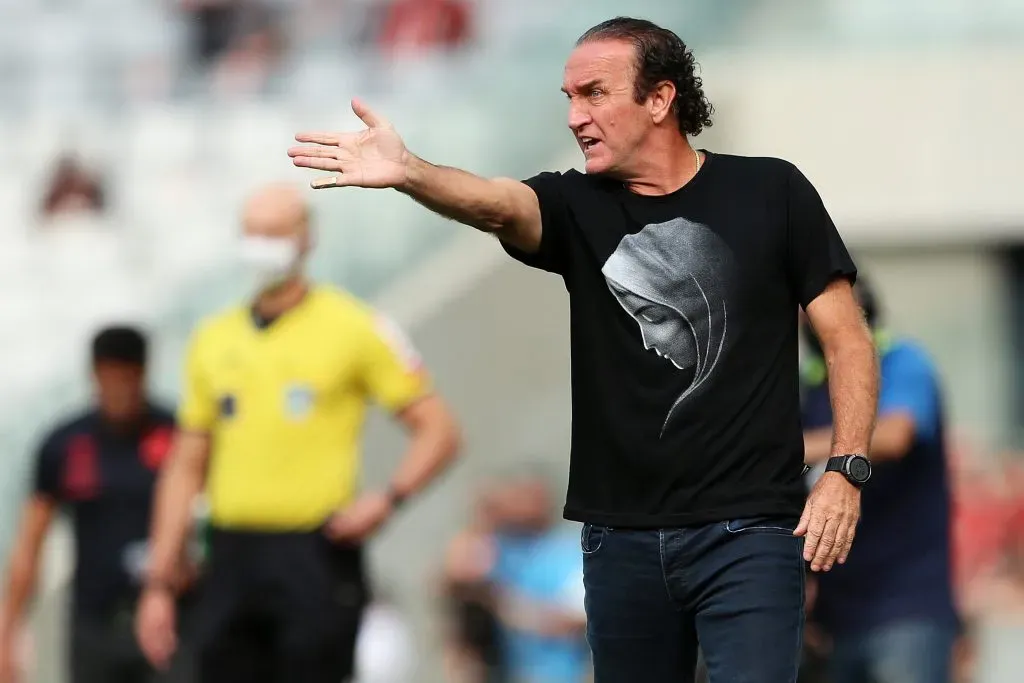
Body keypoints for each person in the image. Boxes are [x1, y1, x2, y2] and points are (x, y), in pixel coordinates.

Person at [288, 15, 880, 683]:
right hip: (618, 541)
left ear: (660, 99)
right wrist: (409, 172)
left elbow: (846, 336)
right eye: (568, 97)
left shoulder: (773, 192)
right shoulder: (576, 205)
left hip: (749, 534)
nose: (575, 115)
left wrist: (845, 469)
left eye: (594, 93)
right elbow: (495, 203)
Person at [134, 182, 461, 683]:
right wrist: (159, 581)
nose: (260, 245)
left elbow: (438, 430)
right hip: (229, 554)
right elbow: (185, 465)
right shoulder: (213, 338)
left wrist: (387, 499)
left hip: (313, 553)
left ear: (306, 236)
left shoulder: (353, 327)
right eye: (251, 232)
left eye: (273, 232)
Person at [0, 326, 186, 683]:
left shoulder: (175, 436)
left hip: (167, 618)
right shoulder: (65, 445)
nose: (118, 390)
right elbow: (29, 544)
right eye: (109, 377)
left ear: (143, 374)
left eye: (127, 377)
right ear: (94, 375)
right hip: (93, 622)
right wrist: (10, 632)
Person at [800, 276, 960, 683]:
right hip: (836, 618)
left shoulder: (903, 361)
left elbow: (897, 433)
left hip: (907, 608)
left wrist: (796, 448)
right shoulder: (815, 389)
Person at [443, 471, 590, 683]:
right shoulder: (505, 549)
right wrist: (485, 517)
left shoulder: (572, 550)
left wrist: (502, 602)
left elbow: (572, 622)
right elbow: (456, 573)